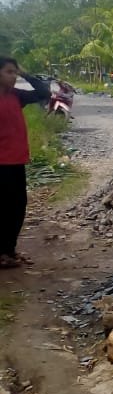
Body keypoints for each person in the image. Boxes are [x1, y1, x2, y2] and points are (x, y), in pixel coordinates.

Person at [0, 57, 51, 269]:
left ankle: (8, 250)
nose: (13, 76)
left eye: (15, 72)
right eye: (9, 72)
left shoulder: (16, 96)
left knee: (17, 207)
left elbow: (43, 93)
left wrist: (25, 74)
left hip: (16, 161)